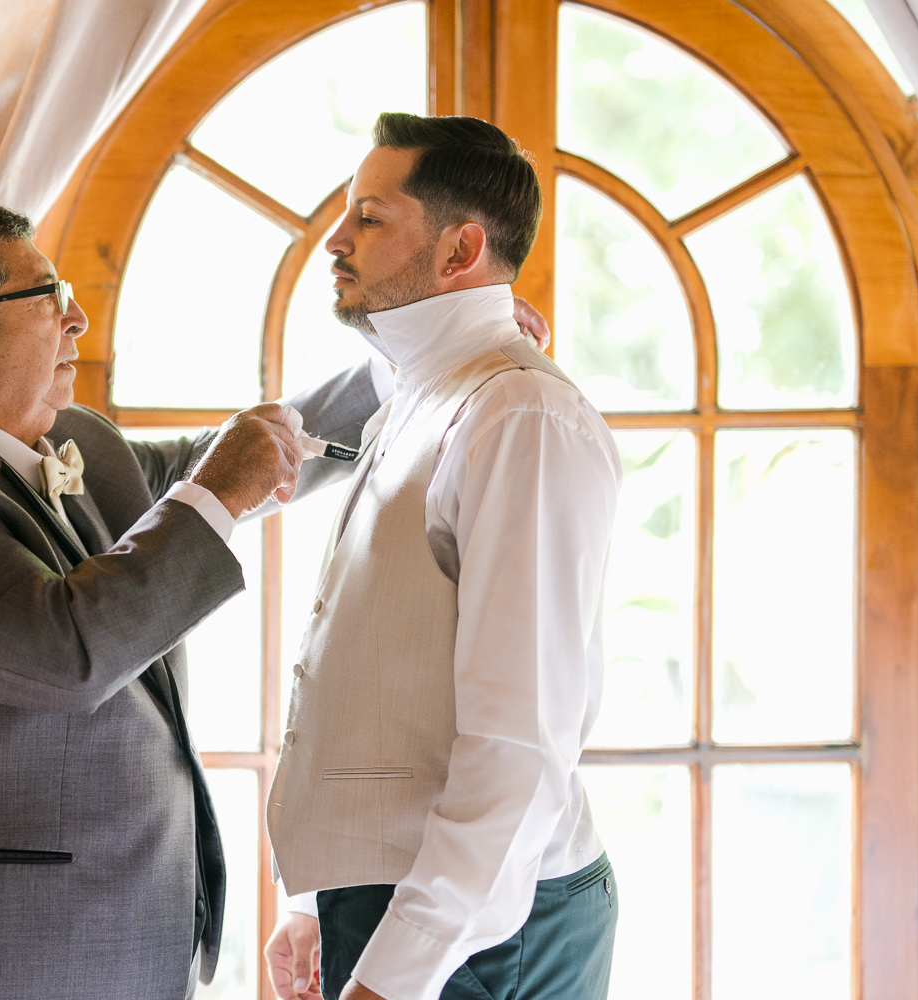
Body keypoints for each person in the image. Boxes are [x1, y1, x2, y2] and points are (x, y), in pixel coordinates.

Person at [0, 204, 385, 999]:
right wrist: (217, 489)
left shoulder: (77, 442)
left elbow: (222, 468)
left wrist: (404, 371)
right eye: (49, 296)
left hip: (118, 945)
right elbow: (66, 654)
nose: (77, 318)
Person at [263, 113, 623, 1000]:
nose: (334, 242)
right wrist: (322, 895)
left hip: (483, 930)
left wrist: (399, 969)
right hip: (399, 901)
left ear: (460, 250)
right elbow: (386, 672)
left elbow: (518, 741)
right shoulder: (420, 395)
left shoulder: (520, 418)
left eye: (370, 218)